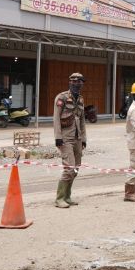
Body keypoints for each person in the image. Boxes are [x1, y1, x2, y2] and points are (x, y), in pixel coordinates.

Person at [53, 73, 87, 208]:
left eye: (80, 82)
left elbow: (82, 120)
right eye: (75, 82)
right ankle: (59, 198)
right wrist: (58, 137)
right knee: (69, 168)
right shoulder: (61, 97)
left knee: (76, 168)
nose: (78, 85)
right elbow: (56, 118)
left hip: (78, 138)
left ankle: (67, 196)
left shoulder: (81, 99)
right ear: (70, 82)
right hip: (65, 138)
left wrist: (84, 138)